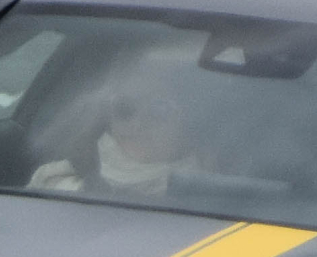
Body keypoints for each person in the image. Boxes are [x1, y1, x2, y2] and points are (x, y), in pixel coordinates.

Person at [28, 58, 201, 200]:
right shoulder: (53, 181)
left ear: (189, 121)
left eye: (160, 110)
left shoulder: (207, 197)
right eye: (124, 108)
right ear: (108, 117)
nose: (138, 124)